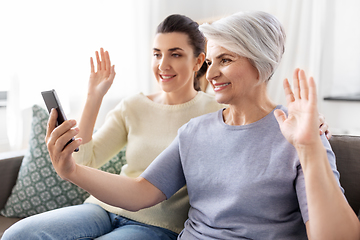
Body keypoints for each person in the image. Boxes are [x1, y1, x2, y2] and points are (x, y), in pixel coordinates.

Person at [3, 13, 332, 240]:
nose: (212, 73)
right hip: (113, 209)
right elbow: (127, 184)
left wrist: (310, 143)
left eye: (225, 60)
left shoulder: (273, 126)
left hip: (159, 225)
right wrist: (71, 165)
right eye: (157, 53)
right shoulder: (188, 127)